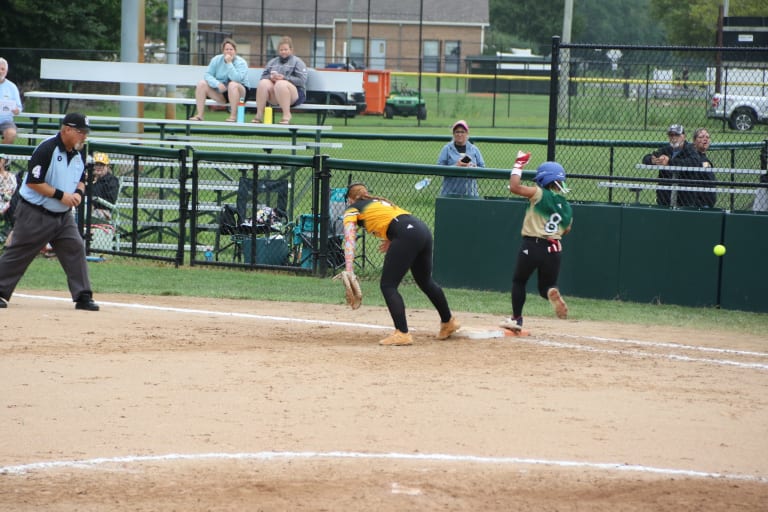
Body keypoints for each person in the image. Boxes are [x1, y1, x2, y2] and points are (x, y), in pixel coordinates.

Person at [0, 112, 99, 311]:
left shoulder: (79, 152)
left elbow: (81, 178)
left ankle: (83, 296)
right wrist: (63, 196)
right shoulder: (47, 148)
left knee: (75, 248)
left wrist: (78, 193)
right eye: (81, 132)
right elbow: (34, 182)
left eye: (85, 132)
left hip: (63, 215)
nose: (84, 136)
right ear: (67, 129)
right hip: (35, 212)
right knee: (19, 253)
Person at [342, 182, 459, 346]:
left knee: (388, 285)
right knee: (425, 281)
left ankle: (402, 333)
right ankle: (448, 322)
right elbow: (395, 221)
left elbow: (349, 238)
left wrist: (349, 268)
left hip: (406, 235)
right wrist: (392, 238)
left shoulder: (352, 209)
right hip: (421, 230)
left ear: (350, 199)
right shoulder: (379, 202)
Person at [500, 158, 573, 333]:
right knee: (546, 287)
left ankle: (517, 319)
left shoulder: (539, 193)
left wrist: (518, 164)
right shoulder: (566, 206)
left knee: (519, 281)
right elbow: (566, 230)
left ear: (543, 178)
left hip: (533, 245)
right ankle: (552, 291)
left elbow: (514, 187)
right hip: (554, 248)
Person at [189, 38, 250, 122]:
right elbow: (208, 75)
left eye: (231, 49)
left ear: (235, 51)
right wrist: (217, 84)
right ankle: (200, 115)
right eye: (226, 49)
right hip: (222, 91)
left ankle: (233, 116)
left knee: (232, 84)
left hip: (240, 92)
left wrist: (229, 63)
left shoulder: (241, 62)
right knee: (201, 84)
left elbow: (237, 79)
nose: (229, 51)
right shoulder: (216, 60)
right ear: (223, 51)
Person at [251, 36, 308, 125]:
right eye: (281, 50)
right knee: (263, 83)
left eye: (285, 49)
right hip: (275, 94)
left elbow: (302, 81)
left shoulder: (298, 62)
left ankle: (286, 115)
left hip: (295, 94)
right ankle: (259, 114)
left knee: (280, 83)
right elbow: (263, 76)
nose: (283, 52)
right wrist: (271, 78)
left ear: (291, 50)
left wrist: (285, 78)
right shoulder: (272, 62)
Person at [641, 124, 698, 207]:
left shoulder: (690, 149)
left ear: (684, 136)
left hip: (685, 197)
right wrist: (653, 160)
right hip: (664, 196)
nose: (673, 137)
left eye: (677, 135)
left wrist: (669, 162)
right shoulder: (666, 149)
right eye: (671, 135)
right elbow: (646, 158)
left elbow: (693, 162)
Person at [437, 120, 486, 197]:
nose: (459, 134)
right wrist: (456, 166)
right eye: (457, 132)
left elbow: (483, 168)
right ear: (453, 134)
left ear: (467, 134)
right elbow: (439, 169)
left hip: (470, 194)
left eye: (462, 132)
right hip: (450, 193)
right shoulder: (447, 149)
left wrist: (474, 168)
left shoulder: (474, 149)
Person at [89, 152, 120, 219]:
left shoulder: (112, 180)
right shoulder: (89, 178)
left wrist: (93, 203)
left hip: (103, 210)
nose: (98, 167)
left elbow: (110, 200)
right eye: (96, 164)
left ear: (107, 167)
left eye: (102, 165)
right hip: (87, 207)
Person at [0, 58, 23, 145]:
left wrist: (16, 110)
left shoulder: (12, 87)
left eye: (2, 69)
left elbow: (19, 107)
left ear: (6, 71)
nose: (0, 71)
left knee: (11, 133)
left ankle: (3, 154)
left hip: (6, 121)